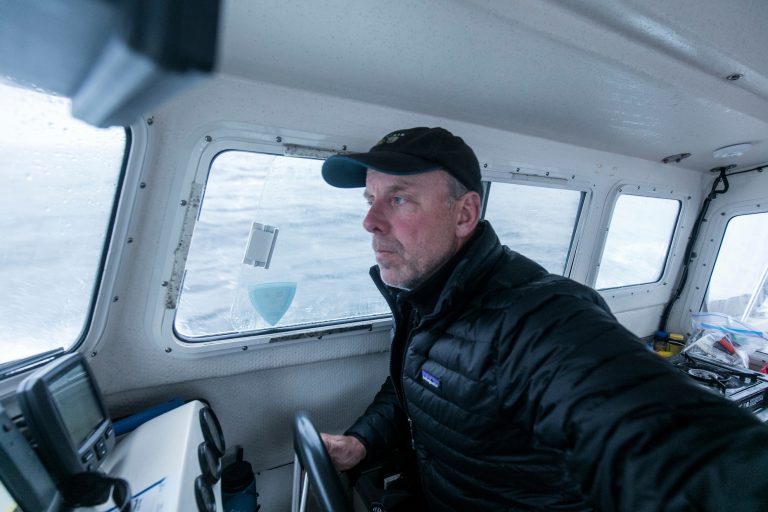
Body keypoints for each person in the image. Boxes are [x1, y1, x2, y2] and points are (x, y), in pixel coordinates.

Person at [319, 127, 768, 511]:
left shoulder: (538, 317)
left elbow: (671, 451)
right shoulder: (425, 296)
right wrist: (361, 441)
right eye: (371, 198)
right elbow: (414, 387)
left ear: (464, 214)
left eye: (398, 199)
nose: (370, 221)